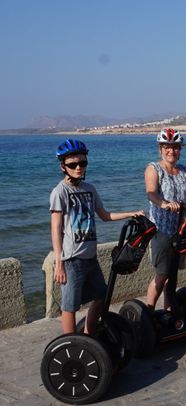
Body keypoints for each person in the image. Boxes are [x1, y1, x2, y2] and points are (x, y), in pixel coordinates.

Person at [50, 139, 145, 334]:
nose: (78, 168)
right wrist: (59, 263)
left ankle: (88, 335)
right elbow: (55, 229)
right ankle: (72, 343)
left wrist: (131, 213)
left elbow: (104, 215)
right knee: (70, 306)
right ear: (63, 167)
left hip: (90, 257)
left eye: (82, 163)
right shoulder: (60, 192)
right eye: (72, 165)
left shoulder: (89, 189)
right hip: (71, 260)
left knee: (102, 296)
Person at [144, 129, 186, 312]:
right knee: (162, 274)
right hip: (161, 229)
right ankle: (148, 313)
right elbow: (151, 193)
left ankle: (170, 311)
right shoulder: (154, 168)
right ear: (161, 149)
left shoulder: (183, 170)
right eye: (167, 147)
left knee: (173, 274)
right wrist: (165, 204)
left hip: (181, 229)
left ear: (180, 149)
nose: (171, 151)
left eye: (175, 148)